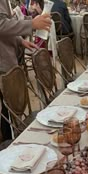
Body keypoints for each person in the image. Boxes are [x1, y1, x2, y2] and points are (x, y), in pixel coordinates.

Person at [0, 0, 51, 140]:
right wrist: (31, 24)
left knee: (8, 110)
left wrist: (20, 41)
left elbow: (5, 24)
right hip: (3, 62)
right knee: (8, 111)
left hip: (7, 58)